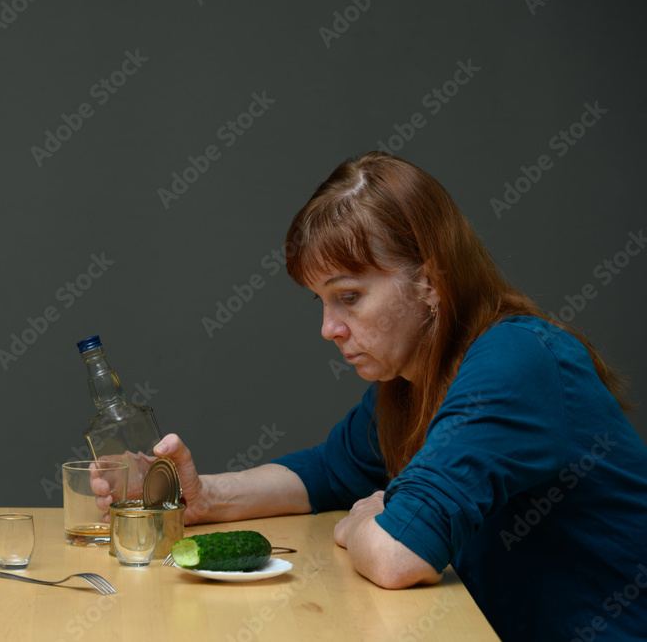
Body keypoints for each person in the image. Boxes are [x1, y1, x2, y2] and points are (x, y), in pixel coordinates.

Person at [93, 151, 647, 641]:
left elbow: (397, 556)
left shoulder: (516, 361)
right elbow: (326, 473)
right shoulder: (408, 382)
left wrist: (369, 517)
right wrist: (202, 497)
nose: (328, 329)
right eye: (321, 301)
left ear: (430, 282)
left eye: (350, 297)